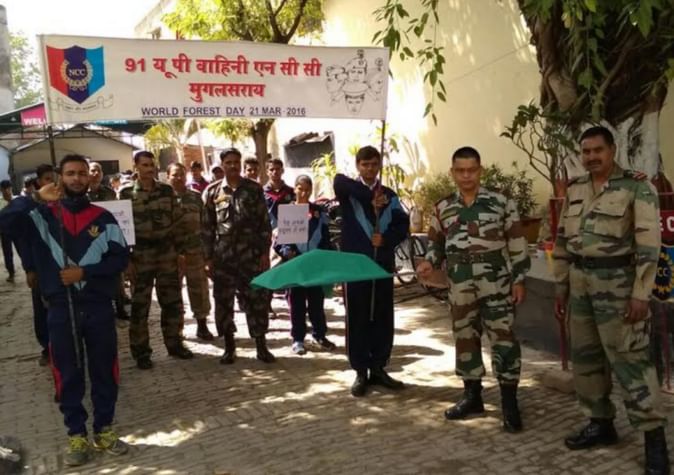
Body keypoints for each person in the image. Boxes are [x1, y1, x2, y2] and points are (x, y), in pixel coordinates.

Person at [0, 154, 130, 466]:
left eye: (82, 173)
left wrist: (85, 273)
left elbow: (120, 259)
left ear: (90, 178)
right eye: (70, 173)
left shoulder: (103, 218)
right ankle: (76, 434)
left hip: (97, 307)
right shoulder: (40, 216)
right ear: (60, 177)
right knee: (67, 374)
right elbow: (5, 222)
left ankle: (104, 429)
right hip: (60, 308)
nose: (77, 178)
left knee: (105, 370)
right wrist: (34, 198)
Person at [553, 126, 669, 474]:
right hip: (580, 284)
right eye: (586, 152)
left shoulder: (636, 187)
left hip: (619, 286)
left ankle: (654, 440)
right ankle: (600, 423)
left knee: (632, 361)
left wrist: (641, 294)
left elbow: (649, 246)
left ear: (612, 150)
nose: (591, 157)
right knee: (586, 358)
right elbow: (562, 241)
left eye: (597, 150)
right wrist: (561, 287)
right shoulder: (575, 189)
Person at [417, 146, 530, 433]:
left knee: (503, 338)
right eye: (460, 171)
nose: (466, 176)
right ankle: (472, 396)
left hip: (497, 284)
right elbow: (436, 244)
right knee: (465, 337)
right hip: (460, 285)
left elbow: (517, 243)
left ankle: (509, 403)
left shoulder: (501, 202)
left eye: (471, 170)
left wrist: (519, 279)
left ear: (480, 170)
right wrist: (429, 263)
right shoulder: (443, 207)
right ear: (452, 172)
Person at [333, 145, 409, 397]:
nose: (370, 169)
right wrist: (370, 197)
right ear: (358, 166)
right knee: (357, 317)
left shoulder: (390, 195)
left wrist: (385, 239)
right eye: (365, 165)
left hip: (381, 263)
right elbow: (339, 182)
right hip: (355, 266)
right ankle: (360, 371)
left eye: (374, 164)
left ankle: (378, 367)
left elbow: (402, 225)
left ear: (379, 166)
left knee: (382, 316)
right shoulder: (349, 192)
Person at [119, 151, 193, 370]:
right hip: (140, 257)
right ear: (136, 167)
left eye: (152, 165)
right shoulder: (125, 194)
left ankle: (175, 343)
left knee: (172, 303)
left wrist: (180, 253)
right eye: (145, 165)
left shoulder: (166, 191)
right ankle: (141, 352)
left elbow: (178, 222)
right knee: (140, 306)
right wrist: (126, 260)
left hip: (166, 254)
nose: (149, 169)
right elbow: (120, 230)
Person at [202, 148, 275, 364]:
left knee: (257, 300)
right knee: (224, 302)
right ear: (222, 165)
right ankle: (229, 347)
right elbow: (206, 228)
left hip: (251, 257)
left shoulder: (253, 189)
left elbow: (264, 223)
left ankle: (261, 346)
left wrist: (264, 253)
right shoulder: (212, 192)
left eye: (236, 162)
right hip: (223, 259)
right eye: (229, 162)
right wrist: (207, 259)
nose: (233, 166)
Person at [274, 175, 336, 355]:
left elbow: (325, 237)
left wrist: (324, 253)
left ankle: (320, 335)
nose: (304, 193)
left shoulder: (318, 212)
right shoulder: (288, 212)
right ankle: (298, 339)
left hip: (314, 265)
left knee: (317, 302)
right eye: (300, 189)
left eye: (307, 190)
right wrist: (287, 251)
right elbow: (279, 241)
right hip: (295, 265)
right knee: (296, 304)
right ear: (294, 189)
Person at [167, 162, 214, 341]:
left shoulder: (195, 197)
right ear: (168, 176)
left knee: (199, 289)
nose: (178, 178)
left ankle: (202, 325)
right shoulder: (162, 198)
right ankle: (177, 328)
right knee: (173, 292)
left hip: (195, 252)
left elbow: (205, 224)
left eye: (181, 174)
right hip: (171, 255)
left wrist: (207, 253)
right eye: (174, 174)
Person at [87, 162, 129, 322]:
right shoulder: (82, 194)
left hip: (110, 238)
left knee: (117, 276)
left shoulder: (110, 193)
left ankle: (120, 307)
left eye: (98, 171)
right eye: (92, 170)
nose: (95, 173)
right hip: (91, 240)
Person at [263, 158, 295, 229]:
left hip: (288, 231)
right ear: (267, 172)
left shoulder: (292, 192)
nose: (275, 172)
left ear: (282, 170)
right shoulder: (261, 192)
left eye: (277, 169)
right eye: (271, 169)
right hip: (267, 232)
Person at [0, 180, 16, 282]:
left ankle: (30, 270)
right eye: (4, 189)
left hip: (17, 231)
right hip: (5, 232)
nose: (7, 191)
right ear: (1, 190)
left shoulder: (17, 200)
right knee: (7, 253)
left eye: (8, 188)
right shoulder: (0, 202)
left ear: (11, 188)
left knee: (23, 250)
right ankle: (11, 272)